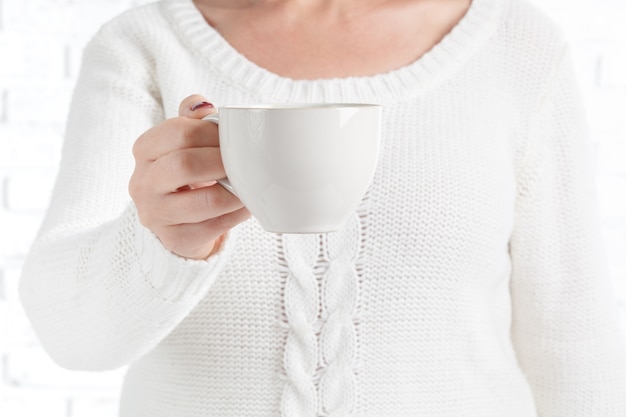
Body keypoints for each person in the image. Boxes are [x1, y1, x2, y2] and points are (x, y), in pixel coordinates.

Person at [19, 0, 626, 415]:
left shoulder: (517, 49)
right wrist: (159, 243)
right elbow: (72, 340)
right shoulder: (144, 46)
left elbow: (574, 342)